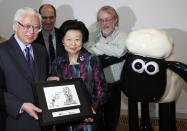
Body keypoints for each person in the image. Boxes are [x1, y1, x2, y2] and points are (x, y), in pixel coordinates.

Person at [48, 19, 109, 131]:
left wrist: (90, 110)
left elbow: (102, 91)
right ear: (62, 40)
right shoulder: (57, 62)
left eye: (77, 39)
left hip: (88, 120)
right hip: (64, 121)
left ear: (83, 40)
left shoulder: (92, 60)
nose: (73, 44)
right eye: (69, 39)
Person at [0, 7, 49, 131]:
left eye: (36, 27)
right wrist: (20, 105)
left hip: (43, 122)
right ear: (15, 26)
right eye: (27, 26)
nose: (31, 31)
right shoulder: (2, 51)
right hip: (15, 122)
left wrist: (50, 79)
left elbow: (38, 80)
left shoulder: (41, 50)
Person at [84, 5, 128, 131]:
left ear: (115, 19)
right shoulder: (91, 35)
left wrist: (98, 46)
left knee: (112, 119)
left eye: (108, 19)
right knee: (97, 119)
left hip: (114, 85)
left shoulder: (123, 36)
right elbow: (88, 50)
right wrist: (109, 50)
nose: (105, 23)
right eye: (101, 20)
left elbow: (119, 52)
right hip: (95, 86)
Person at [35, 4, 63, 74]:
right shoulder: (33, 37)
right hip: (42, 81)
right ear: (39, 18)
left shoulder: (63, 35)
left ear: (55, 18)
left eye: (51, 17)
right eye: (44, 18)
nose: (48, 21)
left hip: (63, 80)